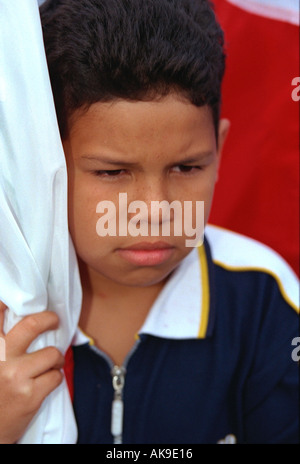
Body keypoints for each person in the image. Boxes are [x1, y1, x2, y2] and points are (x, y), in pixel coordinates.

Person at [0, 0, 298, 444]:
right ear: (44, 163)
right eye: (112, 172)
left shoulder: (264, 299)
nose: (154, 210)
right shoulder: (10, 300)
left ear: (219, 148)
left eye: (186, 168)